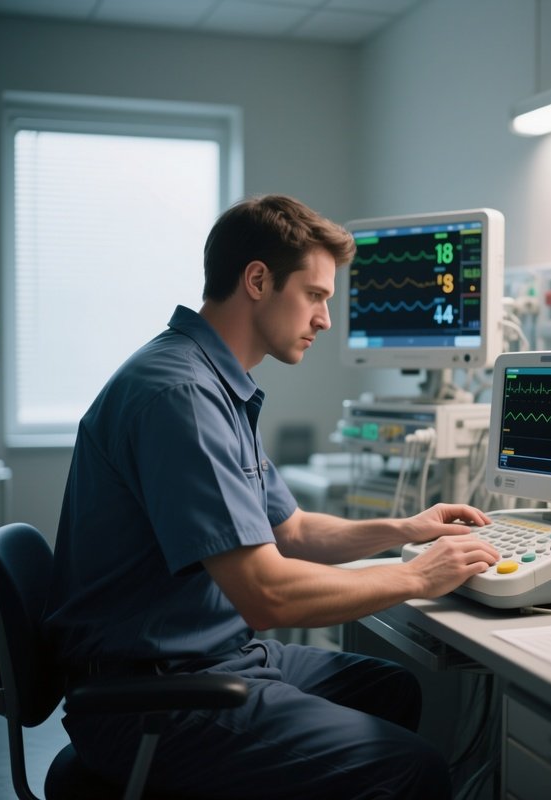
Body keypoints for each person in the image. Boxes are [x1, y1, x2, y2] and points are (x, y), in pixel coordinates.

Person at [43, 194, 500, 799]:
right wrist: (415, 578)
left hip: (209, 659)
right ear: (258, 280)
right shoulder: (180, 397)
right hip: (153, 696)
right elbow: (267, 595)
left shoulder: (213, 381)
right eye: (315, 296)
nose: (325, 319)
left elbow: (293, 532)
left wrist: (406, 530)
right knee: (411, 768)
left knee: (393, 691)